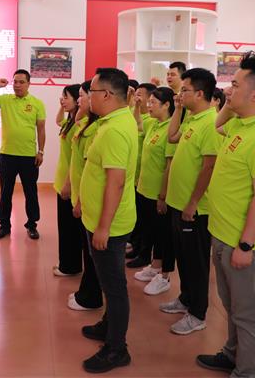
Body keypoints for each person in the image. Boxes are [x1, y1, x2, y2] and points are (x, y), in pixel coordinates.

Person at [196, 52, 255, 378]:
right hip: (223, 232)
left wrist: (246, 246)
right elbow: (217, 125)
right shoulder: (240, 123)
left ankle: (246, 371)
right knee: (232, 305)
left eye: (234, 85)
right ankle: (231, 354)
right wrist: (231, 103)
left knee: (247, 313)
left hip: (244, 242)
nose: (227, 90)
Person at [79, 68, 138, 373]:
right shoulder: (113, 121)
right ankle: (108, 324)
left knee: (114, 287)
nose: (88, 96)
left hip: (110, 226)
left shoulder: (115, 129)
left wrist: (103, 227)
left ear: (106, 95)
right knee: (107, 281)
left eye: (91, 91)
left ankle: (117, 349)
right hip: (99, 219)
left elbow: (116, 182)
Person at [161, 68, 220, 335]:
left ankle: (197, 313)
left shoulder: (211, 123)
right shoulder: (193, 118)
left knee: (196, 262)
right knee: (183, 258)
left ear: (200, 93)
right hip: (178, 202)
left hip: (194, 207)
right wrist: (177, 108)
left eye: (185, 90)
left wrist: (193, 202)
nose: (180, 94)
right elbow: (171, 136)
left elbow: (209, 166)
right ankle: (185, 298)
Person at [0, 69, 46, 240]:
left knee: (31, 192)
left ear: (29, 84)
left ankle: (32, 225)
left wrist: (41, 151)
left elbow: (41, 129)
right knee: (5, 192)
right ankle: (4, 225)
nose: (17, 85)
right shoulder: (6, 100)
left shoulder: (37, 103)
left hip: (28, 156)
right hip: (7, 155)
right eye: (15, 81)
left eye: (21, 82)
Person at [130, 87, 177, 296]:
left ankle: (164, 276)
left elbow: (169, 166)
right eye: (148, 102)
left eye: (153, 102)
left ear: (166, 105)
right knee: (152, 231)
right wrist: (137, 105)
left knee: (164, 235)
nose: (149, 106)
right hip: (145, 189)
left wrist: (163, 195)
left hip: (158, 192)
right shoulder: (154, 124)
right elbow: (138, 124)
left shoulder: (171, 129)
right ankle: (155, 266)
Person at [68, 81, 104, 311]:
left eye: (82, 96)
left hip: (88, 200)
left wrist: (80, 201)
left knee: (92, 255)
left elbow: (89, 171)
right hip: (82, 196)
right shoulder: (85, 125)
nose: (78, 100)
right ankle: (86, 291)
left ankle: (90, 296)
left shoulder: (96, 130)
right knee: (87, 251)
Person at [127, 83, 158, 266]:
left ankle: (145, 254)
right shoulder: (143, 117)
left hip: (149, 181)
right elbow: (135, 124)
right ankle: (137, 247)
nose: (137, 98)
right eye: (135, 94)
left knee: (148, 223)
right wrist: (136, 105)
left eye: (140, 95)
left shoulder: (152, 120)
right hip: (139, 178)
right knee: (140, 219)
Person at [53, 84, 82, 276]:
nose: (62, 100)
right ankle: (67, 263)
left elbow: (75, 160)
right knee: (65, 227)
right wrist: (61, 106)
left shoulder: (78, 125)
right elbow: (58, 121)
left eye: (66, 97)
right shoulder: (69, 122)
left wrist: (68, 185)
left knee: (69, 229)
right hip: (62, 180)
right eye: (62, 97)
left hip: (68, 183)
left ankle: (70, 266)